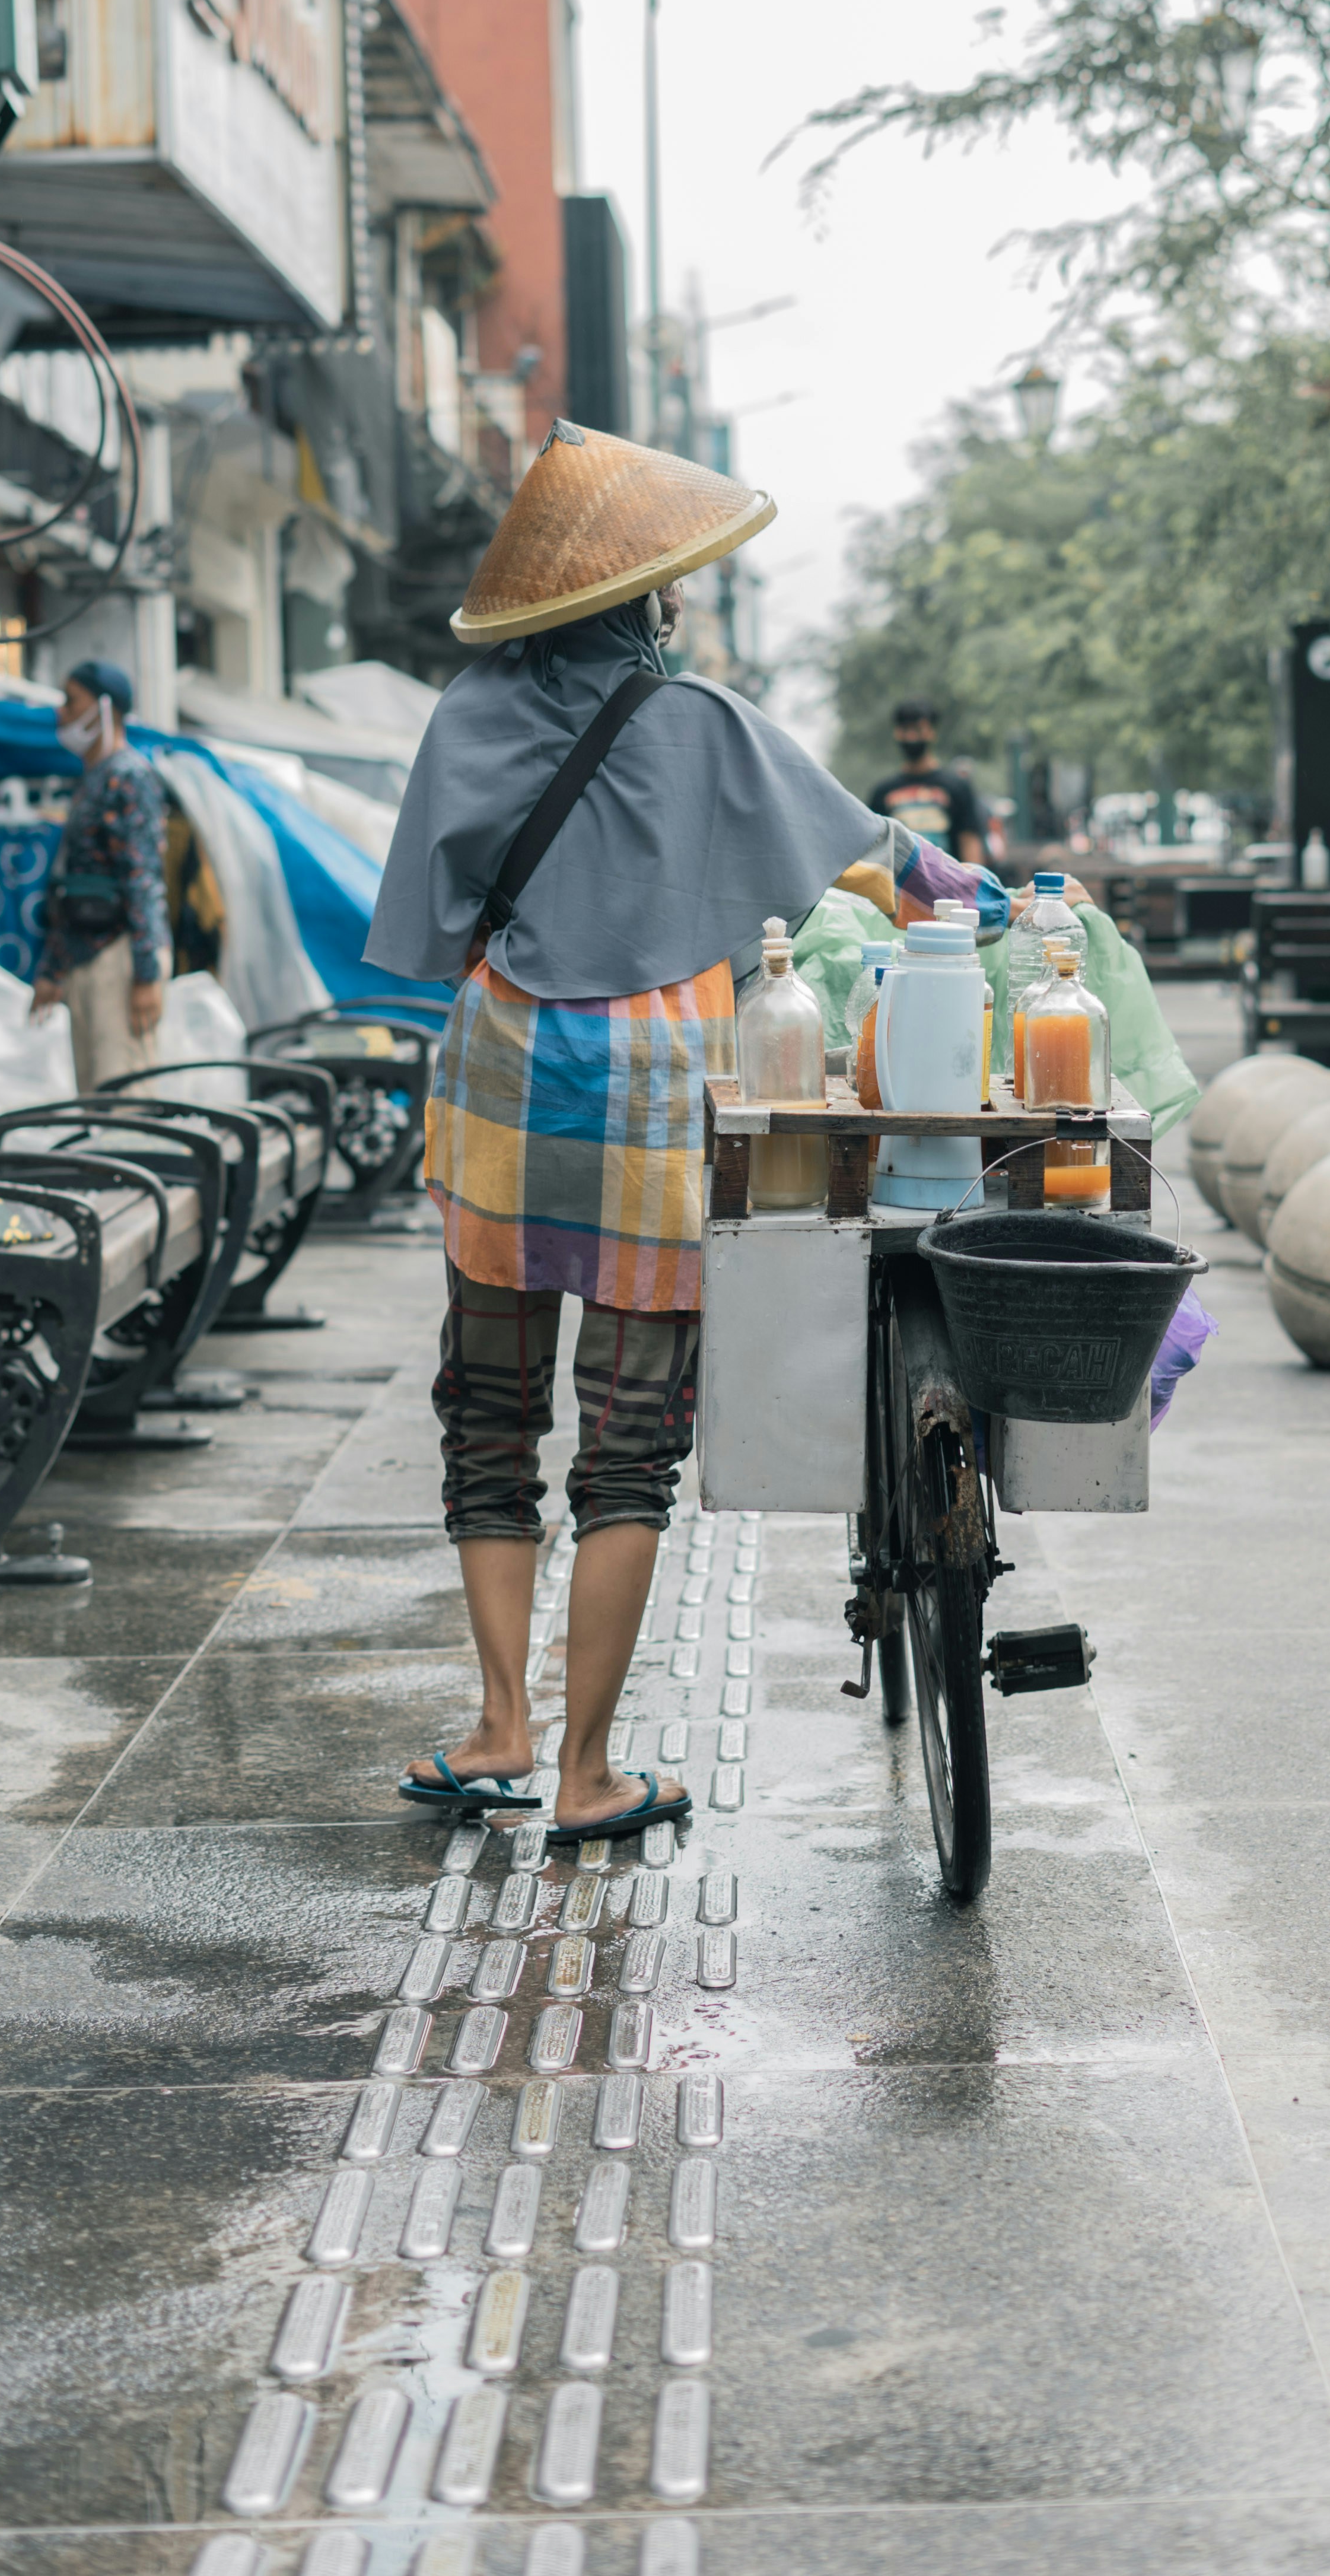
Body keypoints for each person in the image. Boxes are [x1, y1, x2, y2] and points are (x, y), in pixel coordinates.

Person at [367, 421, 1004, 1841]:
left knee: (488, 1410)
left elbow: (423, 916)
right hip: (653, 1083)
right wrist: (985, 897)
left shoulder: (467, 715)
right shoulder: (700, 721)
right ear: (641, 596)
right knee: (628, 1435)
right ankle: (587, 1770)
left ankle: (499, 1726)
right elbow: (879, 858)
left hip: (502, 1076)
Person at [28, 660, 173, 1091]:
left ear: (105, 708)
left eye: (72, 701)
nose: (62, 712)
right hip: (87, 957)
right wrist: (54, 968)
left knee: (125, 1099)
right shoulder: (93, 780)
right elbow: (69, 881)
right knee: (95, 1100)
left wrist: (146, 974)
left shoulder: (130, 778)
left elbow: (142, 878)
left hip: (119, 956)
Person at [867, 699, 988, 866]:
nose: (911, 737)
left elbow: (970, 841)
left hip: (948, 880)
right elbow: (875, 850)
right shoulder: (882, 793)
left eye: (917, 729)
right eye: (905, 730)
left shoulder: (957, 788)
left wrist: (974, 878)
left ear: (932, 732)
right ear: (897, 733)